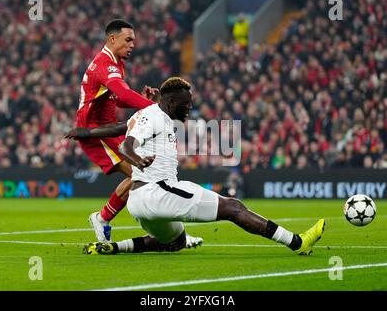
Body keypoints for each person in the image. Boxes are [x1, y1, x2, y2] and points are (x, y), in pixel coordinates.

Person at [82, 77, 325, 255]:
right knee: (233, 207)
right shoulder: (152, 116)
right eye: (185, 103)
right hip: (157, 190)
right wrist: (138, 160)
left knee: (174, 242)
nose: (189, 108)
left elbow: (119, 129)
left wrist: (87, 132)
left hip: (140, 202)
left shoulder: (150, 115)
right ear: (170, 101)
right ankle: (298, 242)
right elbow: (126, 146)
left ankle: (114, 248)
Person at [68, 19, 203, 248]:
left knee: (146, 175)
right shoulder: (105, 64)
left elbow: (118, 96)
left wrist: (143, 101)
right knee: (143, 177)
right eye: (128, 39)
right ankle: (104, 219)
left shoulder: (115, 62)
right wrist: (155, 108)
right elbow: (122, 91)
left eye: (134, 41)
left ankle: (168, 232)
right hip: (95, 131)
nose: (132, 45)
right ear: (112, 39)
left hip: (107, 125)